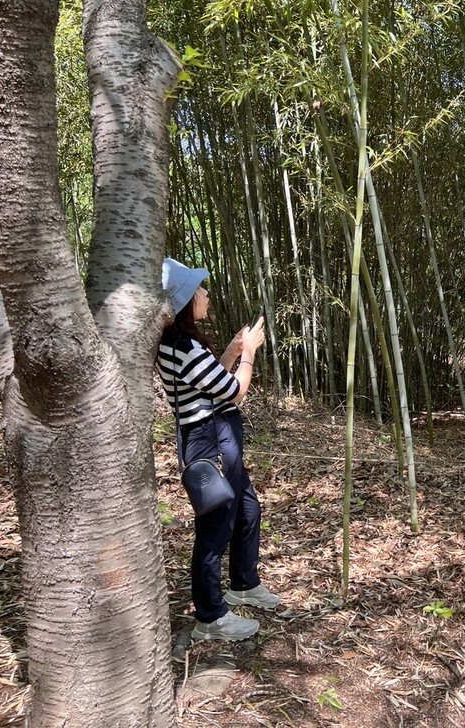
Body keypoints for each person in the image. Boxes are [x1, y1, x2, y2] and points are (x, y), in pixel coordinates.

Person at [159, 258, 281, 641]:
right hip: (208, 440)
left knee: (247, 509)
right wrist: (249, 354)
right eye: (200, 289)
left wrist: (230, 350)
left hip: (216, 436)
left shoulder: (179, 345)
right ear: (183, 301)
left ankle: (244, 583)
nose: (206, 294)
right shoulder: (184, 346)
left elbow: (208, 381)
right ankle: (210, 615)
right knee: (215, 527)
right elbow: (233, 391)